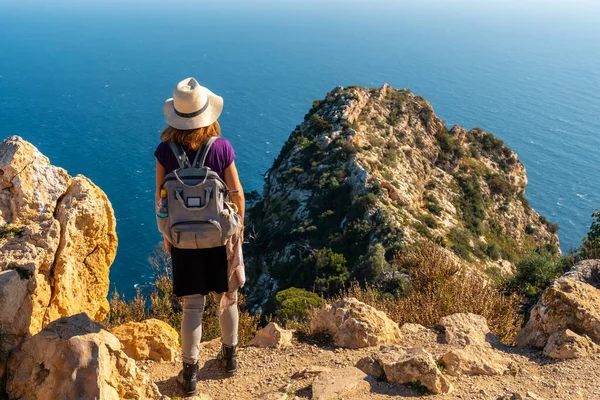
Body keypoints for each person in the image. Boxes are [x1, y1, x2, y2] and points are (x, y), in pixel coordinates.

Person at [154, 77, 245, 396]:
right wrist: (239, 229)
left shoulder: (165, 150)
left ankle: (189, 374)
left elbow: (160, 198)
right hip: (220, 236)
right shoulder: (221, 147)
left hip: (182, 237)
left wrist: (167, 235)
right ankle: (230, 358)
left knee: (193, 306)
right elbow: (235, 193)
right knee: (228, 297)